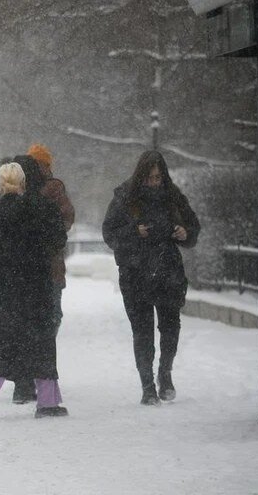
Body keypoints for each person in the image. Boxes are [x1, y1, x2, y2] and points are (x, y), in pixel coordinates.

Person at [0, 162, 68, 421]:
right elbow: (58, 240)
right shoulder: (41, 207)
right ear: (23, 182)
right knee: (42, 343)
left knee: (1, 345)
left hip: (3, 291)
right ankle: (47, 402)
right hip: (36, 287)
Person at [102, 150, 200, 405]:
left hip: (168, 271)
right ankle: (147, 385)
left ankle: (164, 373)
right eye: (150, 178)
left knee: (170, 327)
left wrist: (184, 232)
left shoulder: (173, 196)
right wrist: (135, 232)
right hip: (136, 273)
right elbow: (109, 232)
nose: (155, 182)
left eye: (158, 177)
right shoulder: (125, 197)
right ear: (141, 176)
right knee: (142, 331)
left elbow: (193, 227)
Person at [27, 143, 75, 335]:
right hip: (48, 265)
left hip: (46, 266)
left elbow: (66, 219)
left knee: (50, 314)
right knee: (50, 315)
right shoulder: (53, 189)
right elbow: (67, 219)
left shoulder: (53, 189)